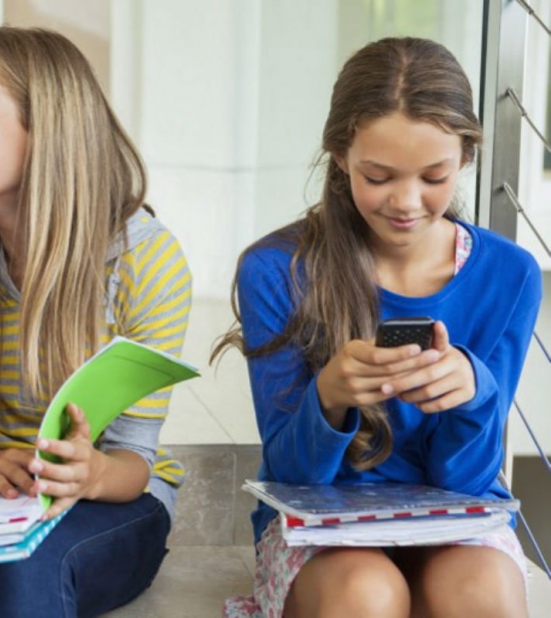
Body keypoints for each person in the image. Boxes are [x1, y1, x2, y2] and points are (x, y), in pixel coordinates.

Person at [215, 37, 542, 618]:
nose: (407, 202)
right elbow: (290, 473)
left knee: (481, 591)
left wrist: (474, 390)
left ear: (465, 157)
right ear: (341, 155)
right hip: (322, 531)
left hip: (455, 518)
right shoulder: (276, 270)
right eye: (380, 176)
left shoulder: (509, 274)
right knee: (366, 594)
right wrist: (330, 398)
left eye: (434, 176)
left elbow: (467, 476)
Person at [0, 26, 193, 618]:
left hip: (112, 499)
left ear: (44, 128)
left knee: (22, 567)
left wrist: (90, 473)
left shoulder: (145, 260)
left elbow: (134, 461)